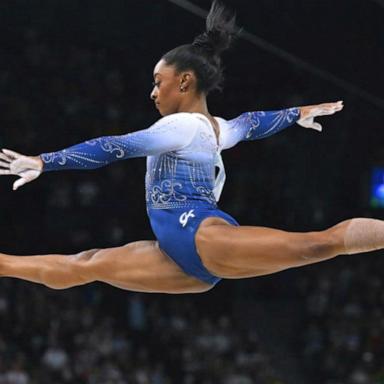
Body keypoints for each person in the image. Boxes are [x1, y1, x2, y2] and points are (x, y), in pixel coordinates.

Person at [0, 1, 381, 294]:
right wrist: (295, 112)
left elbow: (114, 147)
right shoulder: (216, 129)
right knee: (84, 266)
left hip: (200, 235)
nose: (152, 92)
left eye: (157, 81)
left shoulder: (179, 127)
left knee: (318, 245)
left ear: (184, 82)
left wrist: (44, 161)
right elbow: (250, 124)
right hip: (178, 257)